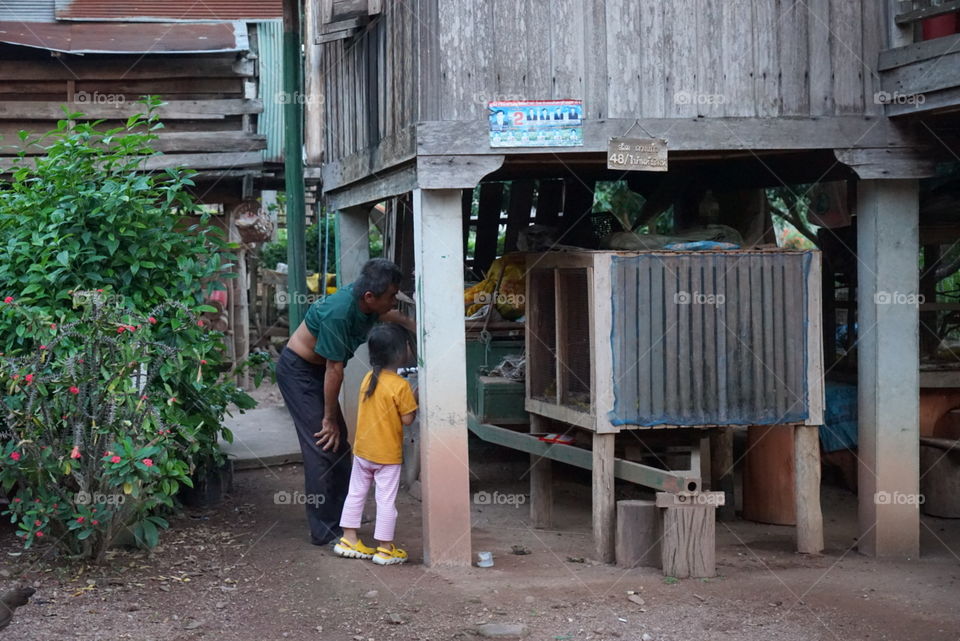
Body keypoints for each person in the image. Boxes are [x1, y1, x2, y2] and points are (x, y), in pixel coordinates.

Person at [276, 258, 414, 546]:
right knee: (323, 444)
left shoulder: (367, 303)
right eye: (391, 297)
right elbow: (334, 371)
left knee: (340, 446)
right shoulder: (340, 313)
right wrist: (328, 419)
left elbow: (385, 315)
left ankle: (343, 517)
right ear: (369, 297)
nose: (394, 301)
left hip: (318, 371)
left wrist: (412, 324)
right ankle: (324, 530)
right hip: (300, 372)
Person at [333, 324, 418, 565]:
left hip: (363, 451)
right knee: (385, 500)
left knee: (356, 493)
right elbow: (407, 419)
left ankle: (348, 538)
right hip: (387, 456)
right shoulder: (401, 386)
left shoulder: (368, 378)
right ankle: (384, 549)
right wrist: (416, 397)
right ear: (402, 352)